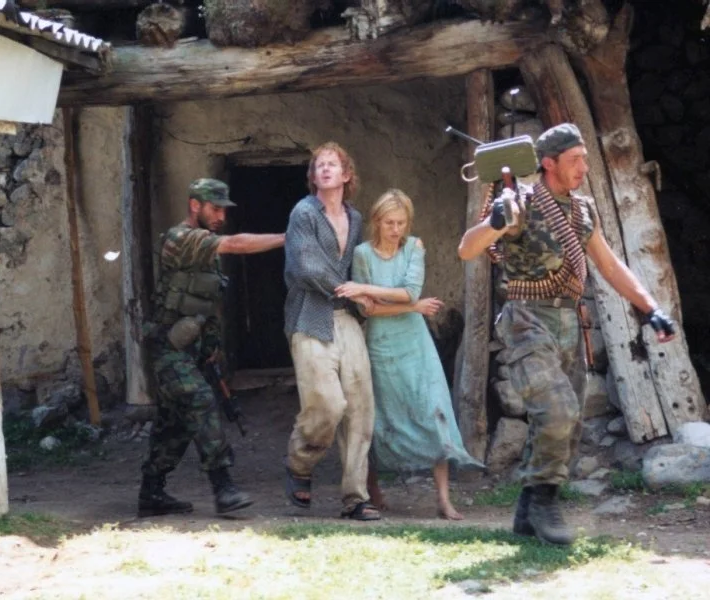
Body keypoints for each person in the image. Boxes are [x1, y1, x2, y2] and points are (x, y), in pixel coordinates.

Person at [457, 123, 676, 544]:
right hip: (527, 320)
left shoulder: (582, 211)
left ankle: (528, 508)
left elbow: (609, 265)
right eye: (575, 160)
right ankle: (545, 503)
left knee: (567, 421)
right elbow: (468, 248)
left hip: (568, 325)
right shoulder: (518, 202)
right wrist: (496, 222)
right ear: (548, 163)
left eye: (585, 159)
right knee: (556, 410)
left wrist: (651, 309)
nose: (583, 168)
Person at [138, 178, 285, 518]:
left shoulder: (207, 252)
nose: (221, 216)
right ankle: (224, 488)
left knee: (174, 424)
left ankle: (151, 492)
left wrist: (212, 346)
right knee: (200, 401)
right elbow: (235, 243)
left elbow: (206, 304)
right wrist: (287, 238)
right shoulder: (181, 239)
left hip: (192, 348)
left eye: (223, 210)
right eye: (215, 209)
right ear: (195, 205)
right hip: (167, 346)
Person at [335, 189, 484, 520]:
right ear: (377, 221)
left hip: (416, 343)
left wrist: (367, 289)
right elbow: (370, 312)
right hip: (380, 344)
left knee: (434, 410)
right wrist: (412, 307)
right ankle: (372, 490)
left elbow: (410, 291)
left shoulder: (414, 247)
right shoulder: (362, 254)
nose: (396, 229)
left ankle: (443, 499)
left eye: (401, 223)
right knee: (379, 416)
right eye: (389, 222)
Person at [283, 142, 381, 521]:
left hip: (346, 318)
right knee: (327, 404)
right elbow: (306, 266)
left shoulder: (355, 218)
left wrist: (370, 293)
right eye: (319, 165)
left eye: (332, 164)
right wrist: (351, 290)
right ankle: (300, 463)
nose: (325, 169)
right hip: (310, 316)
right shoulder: (303, 213)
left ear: (346, 174)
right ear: (313, 176)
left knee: (360, 408)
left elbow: (360, 263)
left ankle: (355, 498)